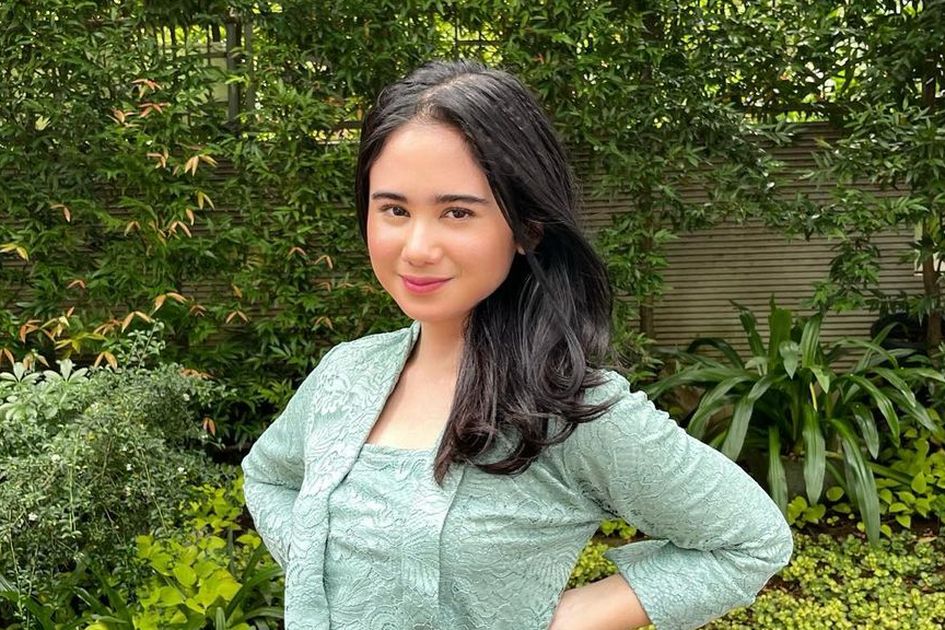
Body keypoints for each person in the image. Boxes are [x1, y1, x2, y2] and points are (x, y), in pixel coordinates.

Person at [241, 59, 793, 630]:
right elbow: (268, 477)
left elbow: (749, 541)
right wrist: (322, 571)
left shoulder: (567, 408)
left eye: (457, 212)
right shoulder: (345, 374)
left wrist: (567, 620)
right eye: (395, 210)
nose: (417, 247)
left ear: (527, 227)